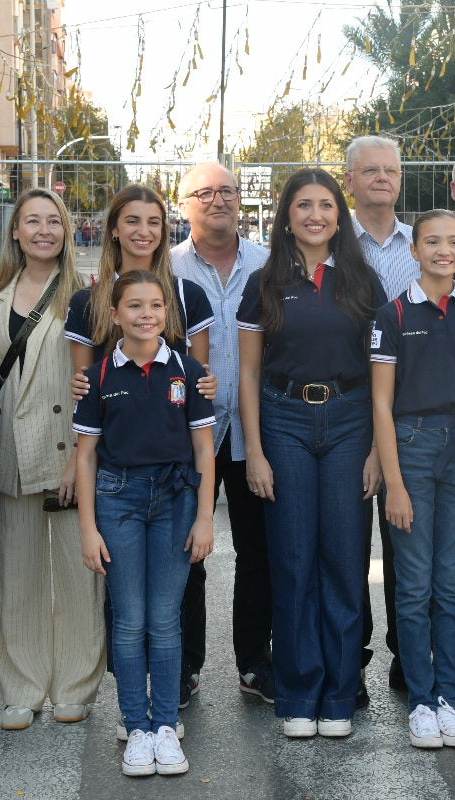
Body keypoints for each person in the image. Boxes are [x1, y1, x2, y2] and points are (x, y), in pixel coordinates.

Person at [238, 169, 386, 739]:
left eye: (326, 204)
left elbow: (380, 374)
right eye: (304, 205)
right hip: (284, 420)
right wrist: (254, 449)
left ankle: (340, 692)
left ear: (339, 215)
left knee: (345, 561)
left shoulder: (362, 283)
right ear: (287, 215)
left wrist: (375, 446)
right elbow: (249, 372)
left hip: (351, 421)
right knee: (294, 559)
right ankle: (300, 693)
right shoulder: (264, 282)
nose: (316, 215)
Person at [66, 183, 214, 709]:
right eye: (132, 220)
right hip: (116, 467)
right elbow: (81, 386)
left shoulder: (186, 296)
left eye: (154, 221)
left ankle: (177, 683)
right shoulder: (88, 301)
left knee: (175, 596)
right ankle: (134, 705)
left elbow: (198, 377)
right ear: (114, 227)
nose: (143, 231)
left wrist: (205, 386)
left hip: (174, 466)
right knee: (128, 606)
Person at [74, 270, 218, 777]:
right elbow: (86, 457)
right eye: (134, 306)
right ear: (115, 314)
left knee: (164, 618)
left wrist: (205, 517)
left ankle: (164, 726)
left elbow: (204, 447)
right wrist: (88, 528)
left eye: (156, 306)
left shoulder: (188, 371)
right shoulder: (98, 377)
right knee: (129, 619)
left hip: (177, 502)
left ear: (168, 314)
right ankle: (136, 725)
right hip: (118, 501)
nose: (146, 315)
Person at [370, 209, 455, 749]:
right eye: (432, 241)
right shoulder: (393, 314)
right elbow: (380, 401)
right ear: (414, 250)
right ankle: (420, 699)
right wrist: (394, 482)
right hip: (413, 451)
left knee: (450, 582)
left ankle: (447, 695)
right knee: (415, 583)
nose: (444, 250)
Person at [0, 187, 105, 729]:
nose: (43, 231)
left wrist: (78, 460)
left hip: (66, 447)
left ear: (66, 231)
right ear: (15, 231)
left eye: (53, 222)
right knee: (18, 576)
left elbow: (97, 385)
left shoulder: (84, 294)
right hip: (10, 450)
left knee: (80, 578)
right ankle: (22, 686)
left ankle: (76, 684)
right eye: (32, 221)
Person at [171, 163, 274, 703]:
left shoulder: (270, 264)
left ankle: (256, 660)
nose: (218, 201)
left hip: (256, 431)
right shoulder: (168, 270)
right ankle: (184, 665)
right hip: (191, 435)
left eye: (227, 191)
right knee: (190, 546)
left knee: (259, 552)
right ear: (185, 203)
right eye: (204, 193)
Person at [344, 135, 418, 696]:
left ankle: (409, 656)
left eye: (390, 170)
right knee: (347, 544)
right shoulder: (328, 243)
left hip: (409, 412)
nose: (382, 178)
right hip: (343, 406)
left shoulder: (423, 246)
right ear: (349, 180)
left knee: (405, 541)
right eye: (370, 170)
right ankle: (352, 657)